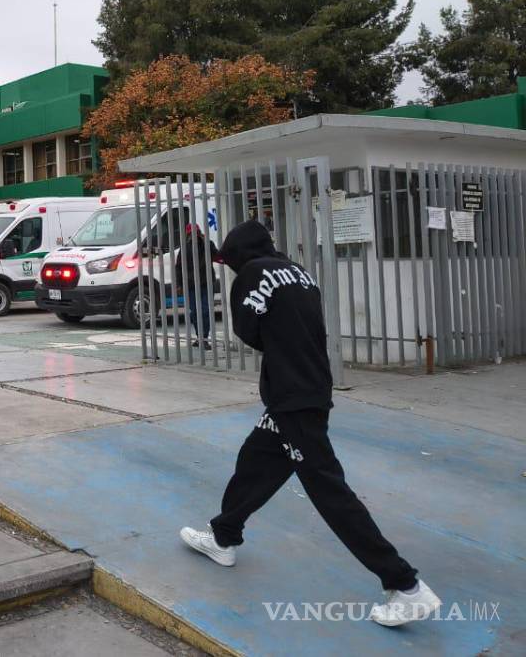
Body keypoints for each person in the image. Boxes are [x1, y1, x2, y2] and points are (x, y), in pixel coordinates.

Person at [179, 219, 440, 627]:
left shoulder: (250, 274)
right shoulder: (300, 273)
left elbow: (249, 332)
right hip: (311, 386)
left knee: (327, 489)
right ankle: (223, 536)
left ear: (237, 256)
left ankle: (404, 585)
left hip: (293, 396)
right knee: (256, 458)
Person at [175, 223, 217, 349]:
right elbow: (178, 267)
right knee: (194, 312)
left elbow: (216, 254)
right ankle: (200, 337)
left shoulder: (207, 244)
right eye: (190, 234)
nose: (193, 236)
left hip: (205, 282)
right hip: (191, 284)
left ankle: (203, 337)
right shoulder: (185, 248)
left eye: (195, 233)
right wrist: (179, 284)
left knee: (204, 311)